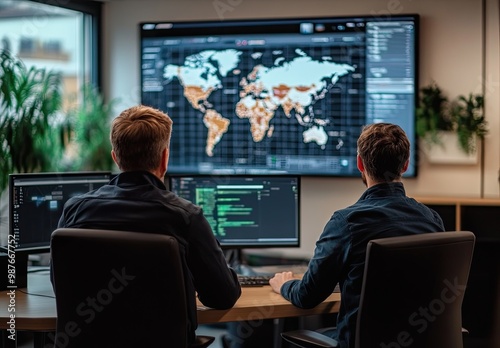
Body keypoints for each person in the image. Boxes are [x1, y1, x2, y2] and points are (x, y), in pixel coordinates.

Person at [55, 105, 241, 346]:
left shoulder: (74, 210)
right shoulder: (185, 216)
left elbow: (64, 286)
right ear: (164, 157)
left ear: (115, 157)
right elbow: (223, 297)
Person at [269, 122, 445, 348]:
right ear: (405, 165)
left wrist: (285, 284)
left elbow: (307, 297)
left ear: (360, 163)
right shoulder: (432, 220)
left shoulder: (346, 223)